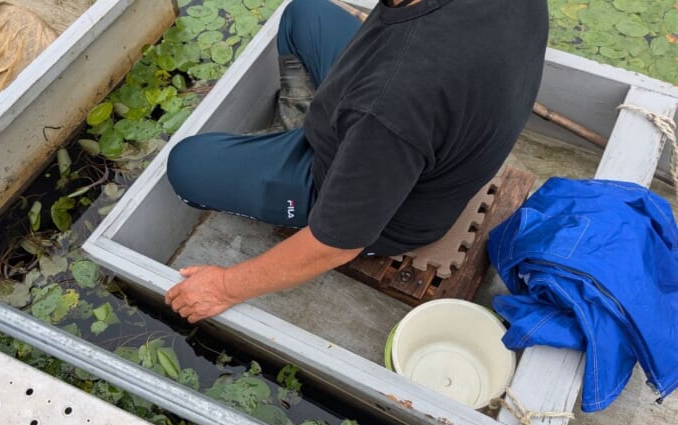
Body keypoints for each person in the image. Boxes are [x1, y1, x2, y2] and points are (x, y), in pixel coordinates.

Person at [165, 0, 549, 323]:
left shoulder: (394, 102)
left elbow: (335, 244)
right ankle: (301, 120)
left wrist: (223, 287)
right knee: (305, 12)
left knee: (187, 165)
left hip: (388, 206)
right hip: (396, 125)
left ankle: (299, 159)